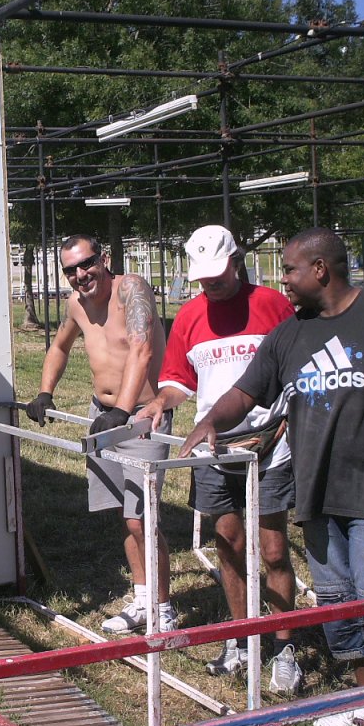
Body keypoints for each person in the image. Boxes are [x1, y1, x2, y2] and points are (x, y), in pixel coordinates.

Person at [180, 227, 364, 726]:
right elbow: (246, 392)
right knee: (338, 604)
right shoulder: (290, 335)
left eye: (289, 269)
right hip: (316, 496)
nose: (283, 279)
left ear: (320, 270)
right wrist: (211, 420)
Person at [136, 225, 302, 693]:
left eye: (218, 273)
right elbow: (179, 380)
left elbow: (298, 370)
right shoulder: (190, 316)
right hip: (213, 447)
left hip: (269, 443)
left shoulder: (273, 305)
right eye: (203, 276)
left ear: (237, 260)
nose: (211, 283)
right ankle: (241, 639)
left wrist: (288, 420)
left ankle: (284, 647)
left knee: (273, 549)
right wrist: (160, 401)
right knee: (228, 543)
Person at [25, 234, 177, 634]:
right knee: (125, 515)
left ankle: (163, 607)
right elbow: (60, 347)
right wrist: (45, 391)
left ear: (104, 259)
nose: (80, 274)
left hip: (142, 418)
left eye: (87, 263)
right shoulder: (76, 304)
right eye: (70, 270)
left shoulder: (132, 290)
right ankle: (143, 599)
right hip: (104, 414)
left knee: (143, 519)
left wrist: (123, 412)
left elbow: (142, 351)